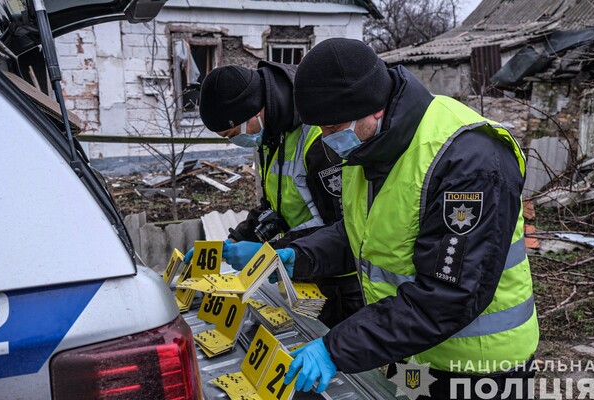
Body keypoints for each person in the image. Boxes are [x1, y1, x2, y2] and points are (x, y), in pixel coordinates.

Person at [277, 38, 539, 400]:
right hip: (412, 354)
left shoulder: (468, 160)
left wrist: (336, 348)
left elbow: (449, 293)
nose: (325, 139)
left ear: (372, 109)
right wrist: (299, 254)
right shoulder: (369, 149)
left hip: (479, 367)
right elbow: (362, 233)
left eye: (332, 127)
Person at [186, 61, 364, 328]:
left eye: (233, 133)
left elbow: (346, 228)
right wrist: (235, 240)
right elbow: (274, 207)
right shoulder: (272, 134)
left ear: (254, 112)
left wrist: (268, 253)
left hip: (344, 282)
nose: (235, 141)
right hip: (302, 265)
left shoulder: (319, 140)